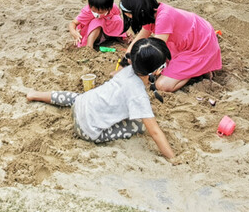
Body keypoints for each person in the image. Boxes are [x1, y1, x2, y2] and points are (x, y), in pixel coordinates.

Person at [26, 37, 175, 160]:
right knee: (140, 124)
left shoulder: (127, 69)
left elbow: (113, 76)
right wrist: (172, 158)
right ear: (157, 71)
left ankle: (35, 94)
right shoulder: (138, 95)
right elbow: (154, 132)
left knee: (74, 97)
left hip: (80, 105)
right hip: (88, 130)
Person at [119, 0, 221, 93]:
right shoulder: (149, 13)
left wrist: (143, 75)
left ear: (139, 12)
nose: (129, 18)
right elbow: (139, 38)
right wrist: (124, 63)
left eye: (130, 15)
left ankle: (196, 70)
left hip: (201, 44)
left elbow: (155, 55)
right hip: (185, 41)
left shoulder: (163, 17)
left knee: (161, 85)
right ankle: (198, 68)